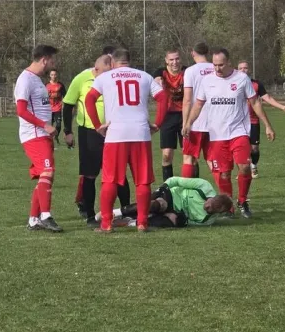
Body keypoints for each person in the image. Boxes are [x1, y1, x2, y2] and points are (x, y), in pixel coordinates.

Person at [184, 48, 276, 218]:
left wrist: (267, 125)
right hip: (217, 136)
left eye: (220, 65)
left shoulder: (241, 79)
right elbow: (197, 105)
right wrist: (188, 123)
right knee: (224, 174)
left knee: (245, 167)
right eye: (214, 65)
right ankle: (228, 207)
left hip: (238, 132)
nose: (217, 68)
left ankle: (242, 201)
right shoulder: (207, 81)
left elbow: (255, 102)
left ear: (229, 63)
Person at [85, 48, 168, 232]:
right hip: (140, 133)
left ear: (112, 62)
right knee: (143, 181)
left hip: (116, 134)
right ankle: (142, 223)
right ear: (129, 61)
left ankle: (106, 224)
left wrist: (98, 125)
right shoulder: (144, 76)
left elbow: (89, 100)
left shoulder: (105, 77)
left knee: (110, 180)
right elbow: (163, 97)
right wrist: (158, 124)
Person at [62, 47, 131, 226]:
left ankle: (128, 212)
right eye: (106, 73)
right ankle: (90, 215)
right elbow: (68, 105)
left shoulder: (114, 78)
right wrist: (67, 131)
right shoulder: (82, 79)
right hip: (89, 134)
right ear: (97, 68)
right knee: (90, 175)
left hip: (114, 132)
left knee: (119, 174)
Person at [14, 44, 62, 232]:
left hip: (42, 135)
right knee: (48, 172)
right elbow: (21, 110)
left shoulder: (36, 79)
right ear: (44, 59)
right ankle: (46, 216)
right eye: (52, 60)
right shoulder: (25, 79)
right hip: (34, 135)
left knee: (46, 174)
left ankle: (34, 219)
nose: (53, 63)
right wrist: (45, 125)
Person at [96, 177, 233, 228]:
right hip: (171, 196)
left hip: (177, 212)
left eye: (209, 210)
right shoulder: (204, 186)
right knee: (157, 204)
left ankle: (130, 222)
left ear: (218, 213)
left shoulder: (207, 221)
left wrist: (179, 220)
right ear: (213, 196)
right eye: (208, 203)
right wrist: (161, 188)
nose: (206, 207)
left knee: (172, 222)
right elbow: (176, 181)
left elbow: (188, 223)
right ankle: (113, 213)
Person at [237, 60, 285, 178]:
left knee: (254, 148)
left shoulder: (257, 84)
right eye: (241, 68)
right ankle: (244, 171)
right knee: (241, 148)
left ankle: (253, 166)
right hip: (238, 122)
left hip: (253, 121)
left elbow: (268, 98)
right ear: (237, 70)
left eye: (246, 68)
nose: (243, 70)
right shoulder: (233, 84)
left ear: (249, 70)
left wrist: (282, 107)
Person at [153, 50, 188, 181]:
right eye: (171, 60)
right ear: (166, 60)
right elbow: (156, 76)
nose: (175, 62)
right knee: (167, 155)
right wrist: (157, 79)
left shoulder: (187, 72)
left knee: (189, 155)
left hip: (185, 116)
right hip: (168, 117)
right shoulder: (161, 73)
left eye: (177, 59)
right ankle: (168, 187)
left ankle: (191, 188)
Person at [181, 42, 214, 178]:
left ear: (192, 52)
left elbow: (188, 100)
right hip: (215, 122)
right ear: (207, 52)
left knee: (188, 158)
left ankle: (187, 194)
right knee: (213, 159)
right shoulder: (216, 68)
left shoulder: (191, 71)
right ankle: (224, 193)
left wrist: (185, 122)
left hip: (196, 122)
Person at [45, 69, 66, 146]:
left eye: (55, 74)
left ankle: (56, 137)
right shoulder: (46, 85)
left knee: (58, 125)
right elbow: (43, 97)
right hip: (49, 109)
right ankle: (49, 139)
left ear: (57, 75)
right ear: (50, 76)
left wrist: (65, 104)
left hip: (58, 108)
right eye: (52, 75)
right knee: (49, 126)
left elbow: (65, 96)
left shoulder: (60, 85)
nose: (53, 76)